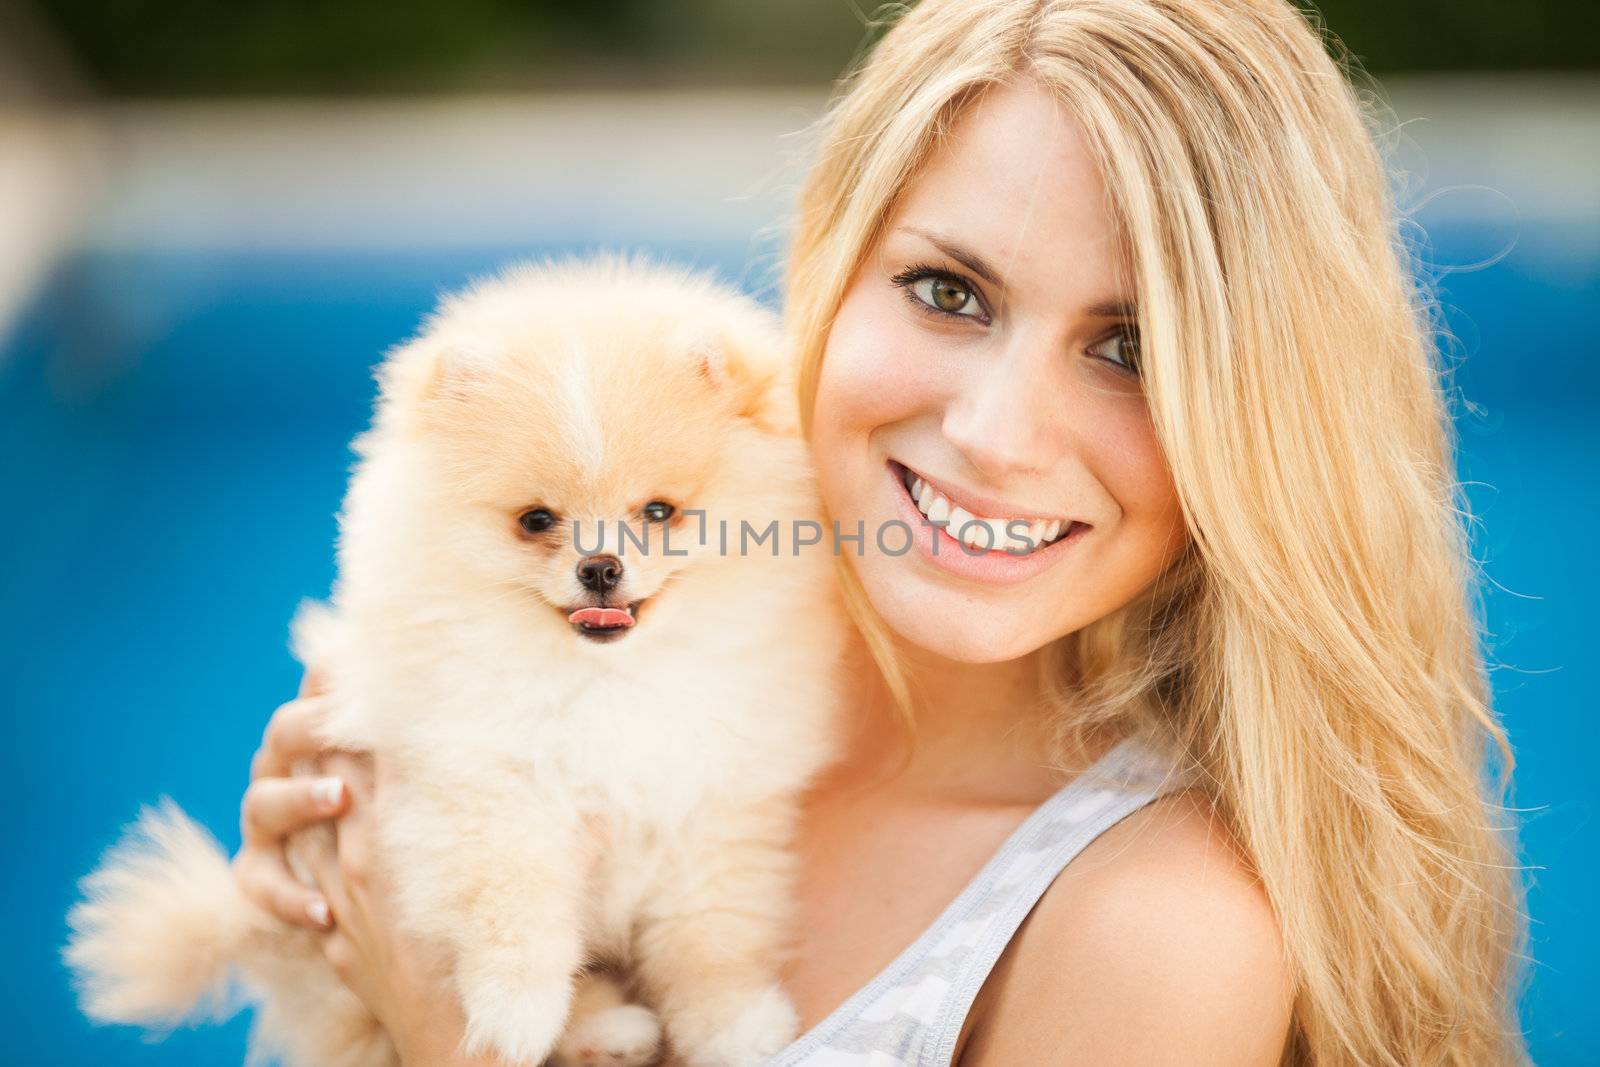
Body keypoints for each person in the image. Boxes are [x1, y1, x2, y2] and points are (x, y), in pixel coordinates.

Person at [232, 0, 1530, 1063]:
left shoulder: (1158, 934)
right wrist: (316, 937)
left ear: (1269, 420)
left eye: (1131, 347)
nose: (998, 433)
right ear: (830, 271)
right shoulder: (622, 623)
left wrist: (435, 1017)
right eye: (948, 291)